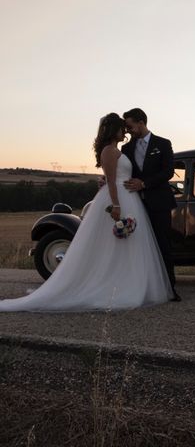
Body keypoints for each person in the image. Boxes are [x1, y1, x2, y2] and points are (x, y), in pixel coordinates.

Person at [0, 114, 173, 311]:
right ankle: (112, 286)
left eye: (126, 127)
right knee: (114, 244)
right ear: (113, 130)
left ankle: (129, 282)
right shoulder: (110, 151)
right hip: (118, 199)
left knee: (129, 245)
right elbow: (111, 180)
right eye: (121, 127)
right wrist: (115, 204)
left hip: (130, 198)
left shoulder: (119, 150)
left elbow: (121, 174)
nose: (124, 131)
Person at [121, 108, 180, 301]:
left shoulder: (163, 144)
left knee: (163, 244)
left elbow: (168, 172)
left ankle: (169, 289)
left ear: (141, 122)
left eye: (130, 126)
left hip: (159, 203)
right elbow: (124, 172)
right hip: (136, 204)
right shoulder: (126, 149)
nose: (128, 131)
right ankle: (142, 288)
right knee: (139, 246)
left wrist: (144, 184)